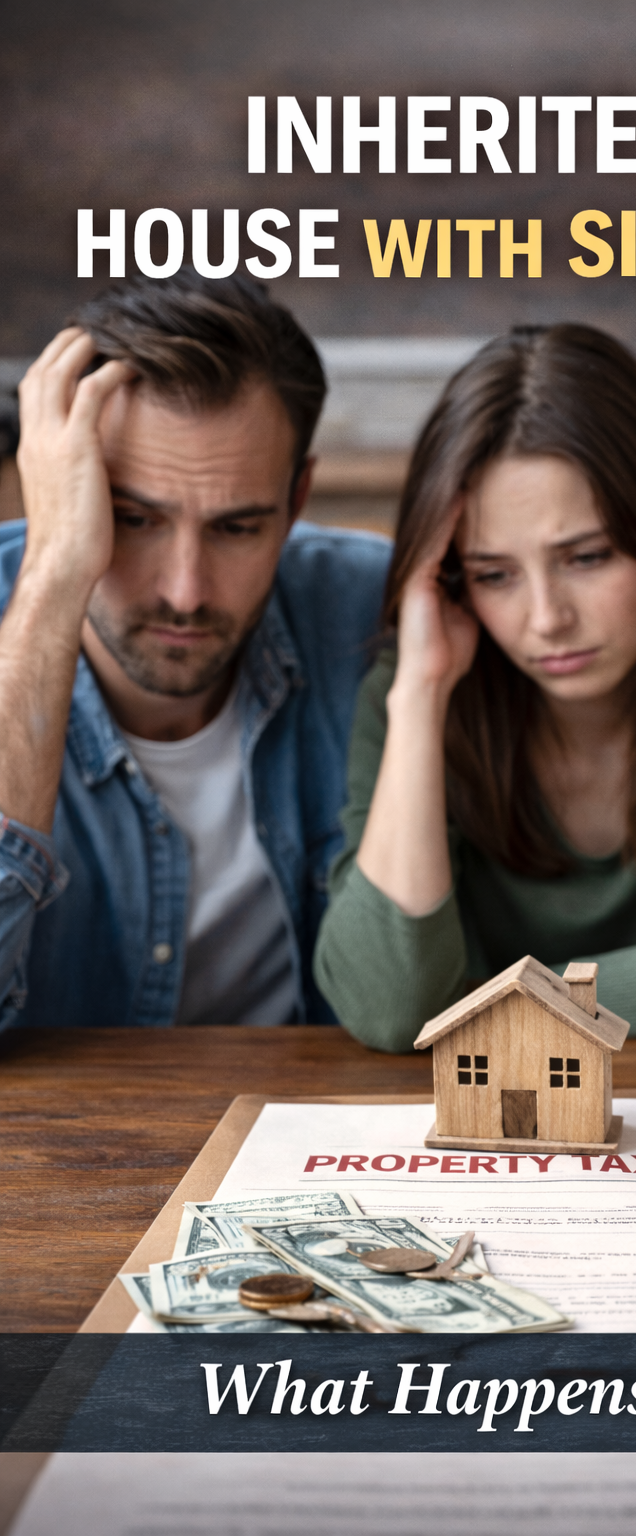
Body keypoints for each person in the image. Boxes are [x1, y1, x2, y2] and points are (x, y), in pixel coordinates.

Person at [313, 323, 636, 1049]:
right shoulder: (410, 697)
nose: (547, 619)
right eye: (494, 574)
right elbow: (389, 1009)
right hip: (497, 1137)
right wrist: (421, 695)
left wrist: (471, 1002)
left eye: (587, 557)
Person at [0, 270, 389, 1029]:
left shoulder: (370, 615)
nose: (184, 589)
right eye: (133, 519)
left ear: (297, 500)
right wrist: (52, 576)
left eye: (237, 528)